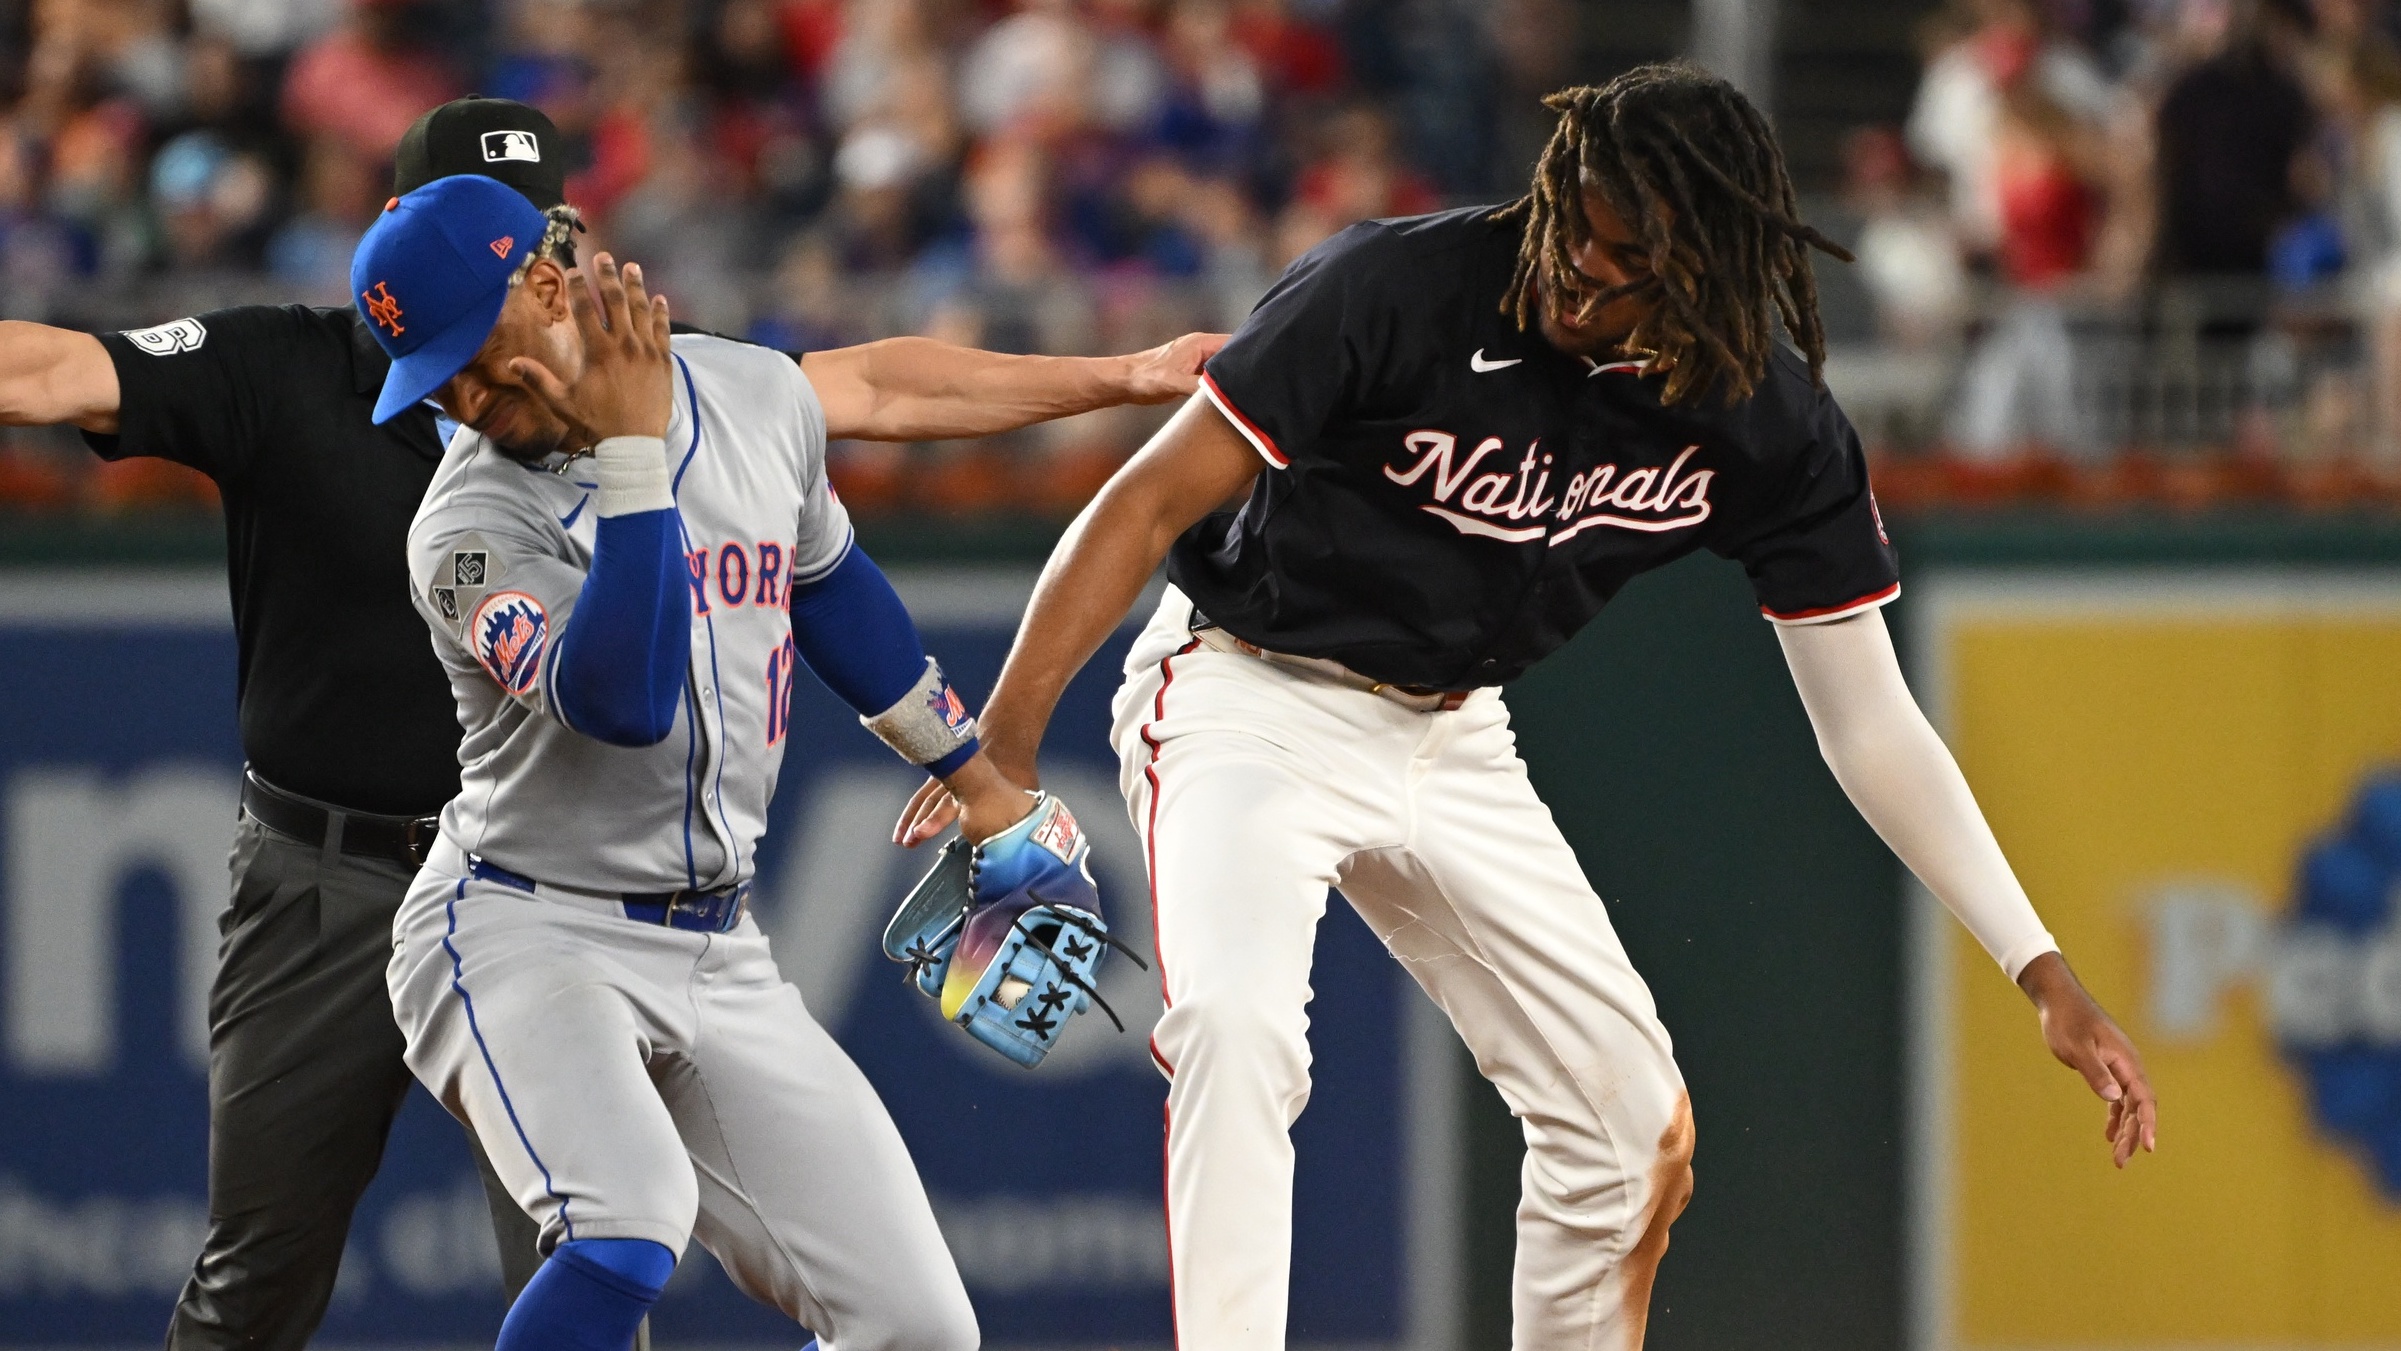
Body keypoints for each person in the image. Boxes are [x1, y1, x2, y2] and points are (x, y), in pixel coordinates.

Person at [892, 64, 2160, 1351]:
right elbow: (1145, 501)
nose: (1578, 270)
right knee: (1235, 1027)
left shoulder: (1761, 417)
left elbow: (1870, 720)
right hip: (1245, 689)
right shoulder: (1396, 286)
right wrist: (1003, 751)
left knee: (1627, 1124)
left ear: (1706, 271)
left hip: (1452, 733)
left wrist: (2039, 967)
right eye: (1575, 227)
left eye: (1628, 258)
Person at [357, 172, 1219, 1351]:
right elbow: (620, 700)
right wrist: (633, 457)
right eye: (434, 380)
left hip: (717, 945)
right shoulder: (463, 528)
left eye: (470, 354)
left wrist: (974, 780)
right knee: (625, 1224)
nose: (463, 397)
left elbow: (835, 594)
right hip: (523, 928)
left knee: (918, 1330)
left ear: (548, 288)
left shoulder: (751, 396)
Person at [0, 96, 566, 1351]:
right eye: (484, 227)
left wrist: (1084, 379)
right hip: (327, 873)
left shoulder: (621, 382)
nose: (517, 262)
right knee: (259, 1275)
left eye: (537, 232)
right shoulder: (283, 364)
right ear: (397, 226)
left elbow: (843, 391)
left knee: (589, 1255)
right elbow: (49, 371)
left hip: (538, 885)